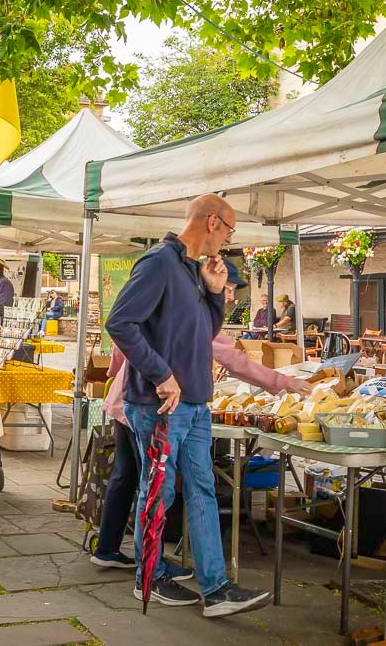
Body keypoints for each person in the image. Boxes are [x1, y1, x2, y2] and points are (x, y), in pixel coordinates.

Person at [106, 193, 271, 617]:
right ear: (213, 222)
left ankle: (215, 587)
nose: (229, 240)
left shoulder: (194, 271)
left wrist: (215, 292)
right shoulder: (159, 262)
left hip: (196, 401)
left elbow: (203, 332)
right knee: (157, 490)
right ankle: (150, 576)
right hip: (161, 403)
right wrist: (161, 374)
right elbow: (120, 322)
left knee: (201, 490)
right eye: (231, 230)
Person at [93, 267, 311, 574]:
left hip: (125, 398)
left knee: (129, 477)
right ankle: (150, 569)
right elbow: (235, 361)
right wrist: (281, 382)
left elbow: (121, 344)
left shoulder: (165, 306)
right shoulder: (197, 316)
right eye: (229, 288)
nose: (232, 295)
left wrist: (115, 374)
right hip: (150, 403)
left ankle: (109, 548)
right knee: (154, 487)